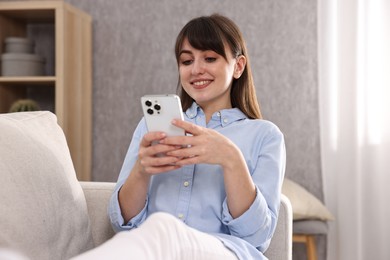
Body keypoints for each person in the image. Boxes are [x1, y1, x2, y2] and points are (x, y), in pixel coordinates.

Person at [74, 14, 286, 260]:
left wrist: (231, 159)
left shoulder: (265, 135)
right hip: (154, 249)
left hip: (225, 251)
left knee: (163, 228)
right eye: (186, 61)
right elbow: (122, 224)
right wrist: (142, 171)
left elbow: (257, 237)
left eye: (209, 58)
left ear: (238, 66)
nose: (196, 70)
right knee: (154, 233)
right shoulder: (150, 127)